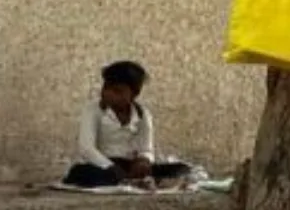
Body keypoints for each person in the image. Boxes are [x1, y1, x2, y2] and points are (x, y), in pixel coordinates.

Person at [64, 61, 193, 189]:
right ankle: (128, 181)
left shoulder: (143, 114)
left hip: (129, 166)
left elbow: (146, 149)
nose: (109, 94)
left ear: (133, 95)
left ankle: (133, 180)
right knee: (81, 173)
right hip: (101, 165)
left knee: (181, 169)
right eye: (106, 87)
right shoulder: (93, 110)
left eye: (117, 91)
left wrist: (143, 161)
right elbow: (86, 148)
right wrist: (111, 167)